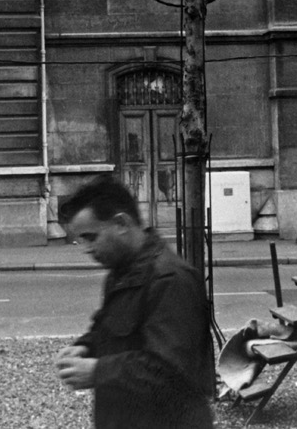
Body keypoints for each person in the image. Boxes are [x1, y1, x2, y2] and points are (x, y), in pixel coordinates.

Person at [55, 176, 214, 429]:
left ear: (121, 223)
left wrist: (97, 371)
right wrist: (85, 347)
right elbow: (108, 327)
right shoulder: (122, 270)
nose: (86, 249)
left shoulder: (170, 278)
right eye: (81, 240)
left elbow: (169, 370)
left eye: (91, 237)